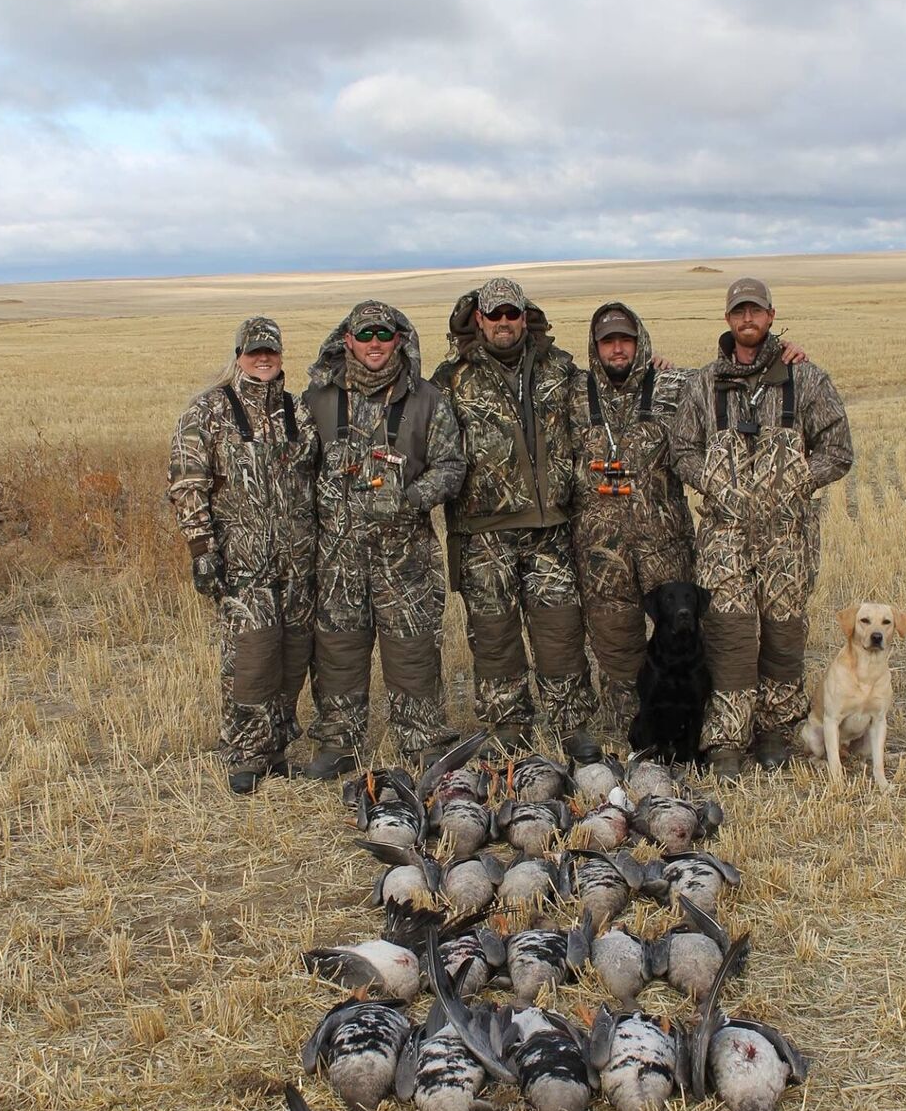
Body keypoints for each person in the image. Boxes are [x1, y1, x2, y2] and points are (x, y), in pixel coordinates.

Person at [670, 277, 853, 778]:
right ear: (728, 320)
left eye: (755, 311)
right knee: (729, 634)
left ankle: (774, 728)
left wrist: (796, 480)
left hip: (788, 536)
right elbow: (681, 449)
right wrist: (709, 478)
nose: (747, 319)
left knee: (782, 633)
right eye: (738, 312)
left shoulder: (806, 378)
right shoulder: (704, 384)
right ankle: (728, 735)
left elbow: (838, 449)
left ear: (771, 316)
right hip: (724, 536)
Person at [303, 299, 465, 778]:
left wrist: (410, 497)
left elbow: (452, 467)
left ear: (399, 339)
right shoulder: (317, 398)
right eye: (365, 334)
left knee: (412, 645)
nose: (375, 344)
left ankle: (421, 740)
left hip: (406, 553)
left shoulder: (427, 399)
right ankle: (339, 743)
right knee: (337, 647)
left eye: (384, 334)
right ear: (347, 340)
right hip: (338, 552)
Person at [433, 276, 596, 752]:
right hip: (482, 533)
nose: (504, 322)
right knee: (493, 633)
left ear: (524, 316)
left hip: (550, 529)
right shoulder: (449, 380)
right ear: (479, 319)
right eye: (494, 314)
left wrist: (659, 365)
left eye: (512, 313)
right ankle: (509, 729)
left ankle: (571, 725)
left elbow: (613, 391)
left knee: (560, 628)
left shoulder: (560, 370)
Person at [168, 316, 317, 794]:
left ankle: (275, 749)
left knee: (293, 656)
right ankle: (245, 754)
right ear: (238, 356)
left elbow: (319, 478)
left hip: (298, 562)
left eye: (270, 350)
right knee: (252, 658)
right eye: (254, 351)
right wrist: (201, 549)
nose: (263, 358)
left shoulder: (298, 412)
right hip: (242, 564)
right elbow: (188, 483)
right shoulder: (207, 411)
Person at [569, 302, 696, 742]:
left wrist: (783, 351)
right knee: (617, 642)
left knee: (680, 636)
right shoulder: (572, 392)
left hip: (665, 543)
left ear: (640, 341)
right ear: (595, 347)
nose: (618, 348)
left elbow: (735, 378)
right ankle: (630, 732)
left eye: (626, 339)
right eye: (608, 341)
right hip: (603, 552)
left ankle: (679, 725)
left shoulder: (675, 384)